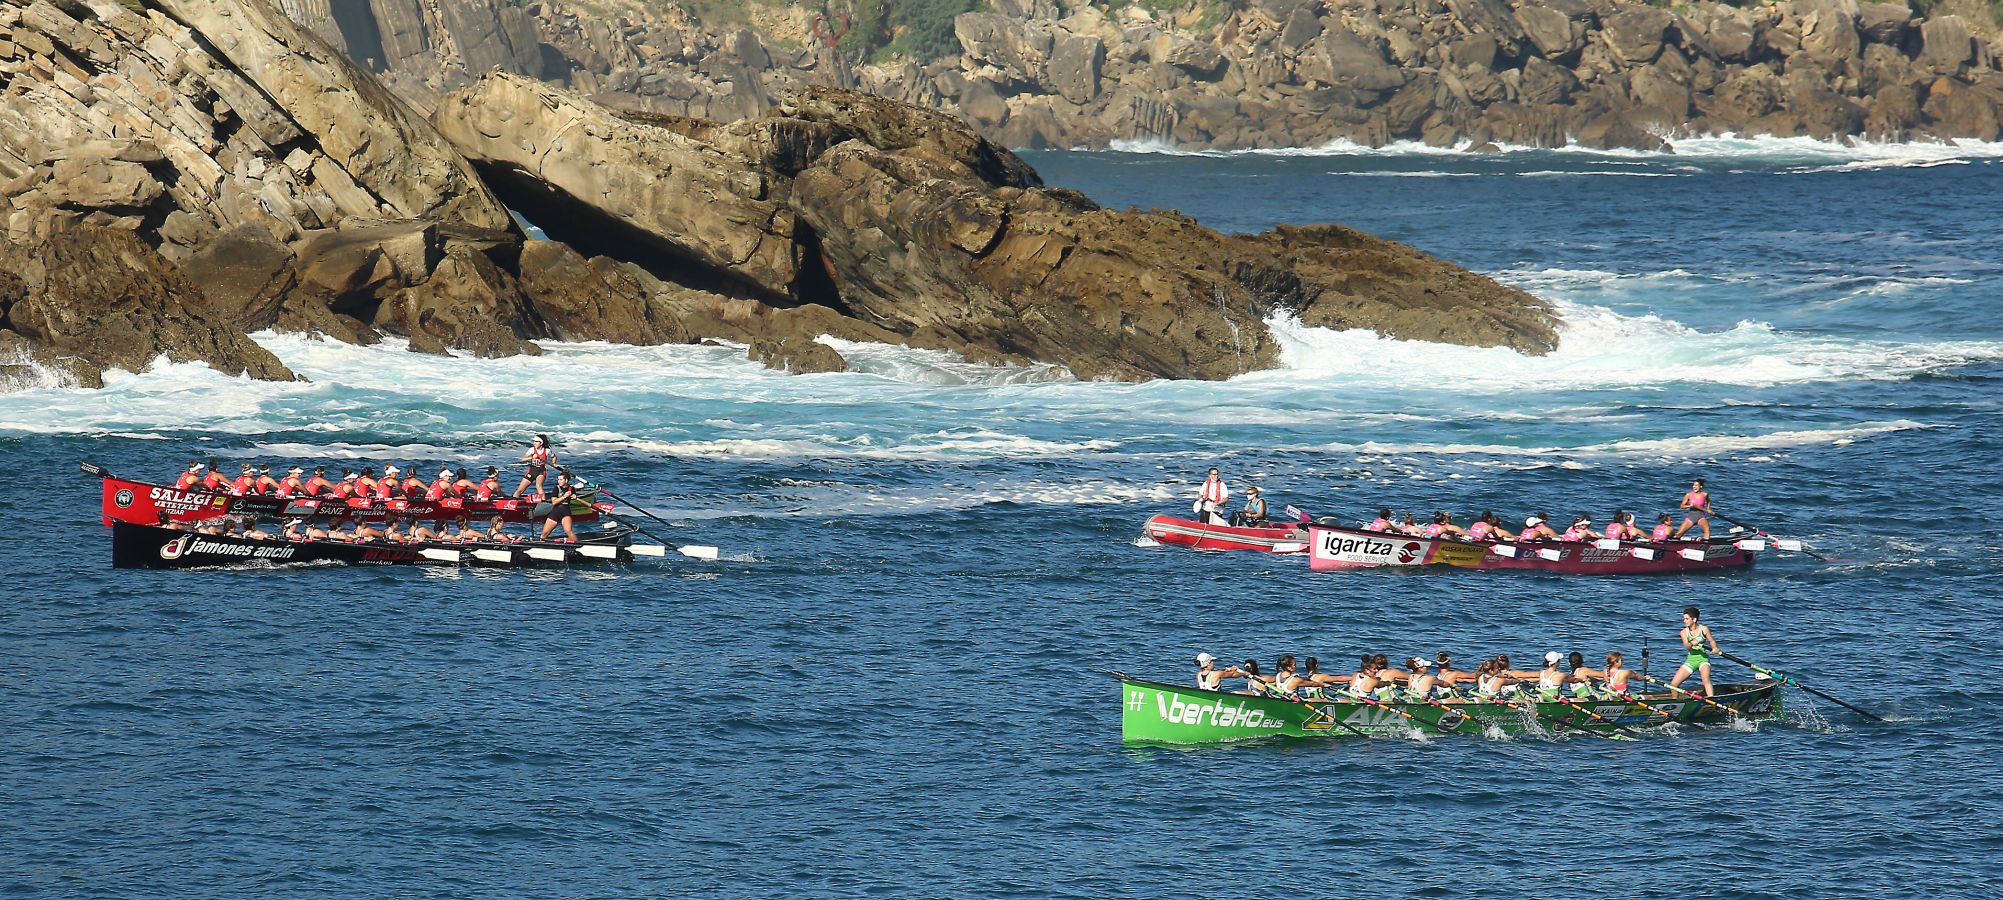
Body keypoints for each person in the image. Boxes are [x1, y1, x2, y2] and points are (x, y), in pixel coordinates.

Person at [1669, 606, 1719, 697]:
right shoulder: (1683, 632)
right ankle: (1675, 702)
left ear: (1694, 619)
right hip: (1691, 660)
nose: (1684, 621)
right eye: (1684, 619)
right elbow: (1687, 646)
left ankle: (1712, 699)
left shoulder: (1704, 629)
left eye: (1687, 619)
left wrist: (1714, 648)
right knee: (1673, 685)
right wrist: (1692, 643)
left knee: (1706, 679)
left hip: (1703, 659)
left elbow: (1712, 641)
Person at [539, 471, 581, 542]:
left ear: (566, 480)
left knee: (569, 531)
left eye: (561, 479)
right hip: (555, 512)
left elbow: (573, 496)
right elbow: (554, 502)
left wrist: (574, 496)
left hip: (566, 513)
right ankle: (541, 544)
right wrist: (564, 496)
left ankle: (578, 544)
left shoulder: (571, 488)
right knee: (544, 535)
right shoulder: (556, 488)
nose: (559, 481)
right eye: (558, 479)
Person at [514, 434, 555, 499]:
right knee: (519, 490)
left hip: (541, 471)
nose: (534, 443)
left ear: (541, 443)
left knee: (538, 485)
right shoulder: (531, 450)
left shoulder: (547, 451)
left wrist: (553, 463)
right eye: (534, 441)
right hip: (531, 471)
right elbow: (523, 459)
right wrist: (531, 457)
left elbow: (554, 457)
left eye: (536, 442)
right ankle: (513, 500)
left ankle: (543, 502)